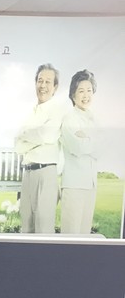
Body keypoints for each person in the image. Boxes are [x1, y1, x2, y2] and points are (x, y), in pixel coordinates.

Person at [15, 63, 64, 233]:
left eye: (48, 82)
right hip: (27, 173)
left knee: (44, 230)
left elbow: (46, 135)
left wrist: (27, 135)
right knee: (26, 227)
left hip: (46, 173)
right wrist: (33, 136)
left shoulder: (57, 110)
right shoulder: (31, 111)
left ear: (55, 87)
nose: (43, 85)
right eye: (40, 81)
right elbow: (18, 145)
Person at [60, 69, 98, 234]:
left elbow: (103, 149)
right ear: (73, 94)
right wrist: (93, 140)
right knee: (71, 235)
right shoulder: (70, 118)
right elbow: (77, 148)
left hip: (91, 184)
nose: (86, 95)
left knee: (85, 236)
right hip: (74, 185)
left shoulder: (93, 119)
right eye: (81, 91)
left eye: (89, 90)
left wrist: (87, 138)